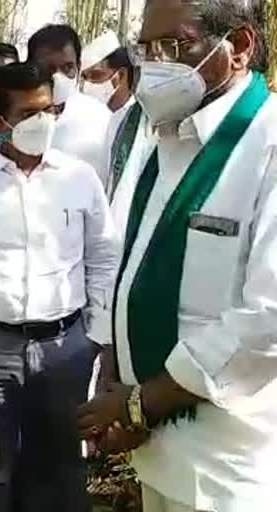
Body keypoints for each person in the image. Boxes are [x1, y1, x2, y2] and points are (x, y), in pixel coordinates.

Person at [77, 1, 277, 511]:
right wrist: (118, 380)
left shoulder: (266, 145)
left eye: (176, 46)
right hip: (160, 455)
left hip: (229, 470)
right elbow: (136, 267)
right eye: (148, 49)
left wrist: (144, 403)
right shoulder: (164, 138)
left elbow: (269, 318)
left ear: (238, 47)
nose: (158, 64)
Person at [0, 61, 118, 512]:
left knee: (61, 465)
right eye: (30, 115)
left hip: (65, 345)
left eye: (50, 110)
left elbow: (103, 256)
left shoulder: (79, 179)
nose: (44, 122)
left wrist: (96, 333)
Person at [28, 24, 112, 179]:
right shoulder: (15, 117)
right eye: (48, 69)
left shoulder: (101, 118)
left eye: (67, 67)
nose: (57, 77)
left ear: (79, 67)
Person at [81, 30, 140, 197]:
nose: (89, 84)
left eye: (95, 75)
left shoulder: (137, 121)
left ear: (120, 75)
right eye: (84, 78)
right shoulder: (88, 119)